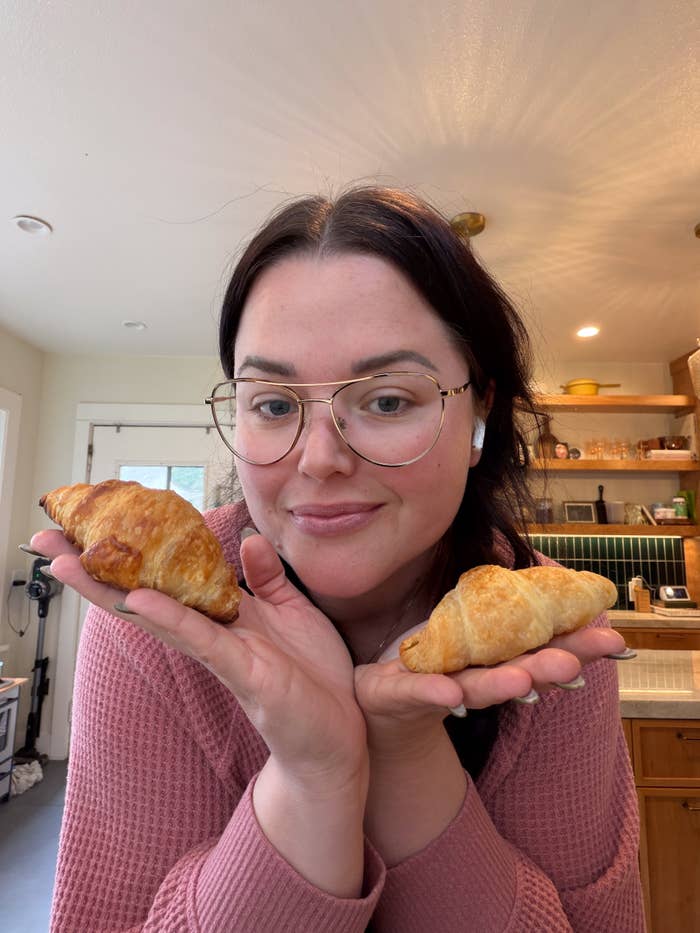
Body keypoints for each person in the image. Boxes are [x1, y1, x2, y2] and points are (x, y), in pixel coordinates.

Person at [33, 186, 645, 932]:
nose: (319, 460)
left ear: (481, 409)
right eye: (273, 402)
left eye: (387, 400)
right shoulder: (156, 620)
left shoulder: (549, 631)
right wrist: (314, 776)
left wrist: (404, 753)